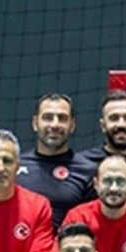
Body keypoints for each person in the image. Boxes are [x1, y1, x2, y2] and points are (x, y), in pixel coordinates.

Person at [16, 93, 98, 228]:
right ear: (35, 123)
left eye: (62, 118)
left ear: (72, 125)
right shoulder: (15, 166)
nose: (55, 125)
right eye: (48, 118)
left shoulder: (88, 171)